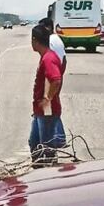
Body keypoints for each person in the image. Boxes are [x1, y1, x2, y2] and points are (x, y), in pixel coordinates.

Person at [29, 26, 65, 157]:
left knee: (47, 147)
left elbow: (56, 80)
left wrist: (47, 99)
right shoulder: (46, 56)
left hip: (47, 111)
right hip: (41, 111)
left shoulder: (48, 58)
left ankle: (49, 172)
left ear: (34, 40)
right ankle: (37, 170)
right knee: (35, 144)